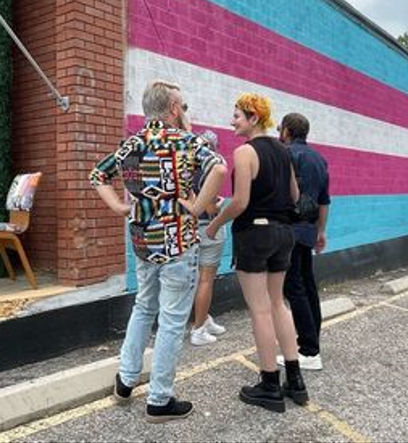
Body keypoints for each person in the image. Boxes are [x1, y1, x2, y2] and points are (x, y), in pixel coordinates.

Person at [90, 80, 226, 423]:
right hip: (177, 244)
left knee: (143, 307)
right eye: (182, 105)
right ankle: (159, 399)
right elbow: (220, 168)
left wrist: (120, 209)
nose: (184, 111)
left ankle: (125, 381)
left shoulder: (131, 144)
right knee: (171, 321)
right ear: (173, 109)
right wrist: (196, 210)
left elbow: (97, 176)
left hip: (142, 243)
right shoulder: (188, 142)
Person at [188, 93, 308, 413]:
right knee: (277, 304)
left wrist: (213, 225)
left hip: (254, 235)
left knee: (260, 310)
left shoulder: (244, 152)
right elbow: (295, 195)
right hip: (284, 234)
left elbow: (240, 202)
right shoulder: (284, 152)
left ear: (254, 118)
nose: (232, 121)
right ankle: (294, 380)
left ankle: (269, 384)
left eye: (237, 116)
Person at [278, 113, 331, 371]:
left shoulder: (286, 154)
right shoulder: (320, 160)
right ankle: (313, 345)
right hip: (309, 230)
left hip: (290, 229)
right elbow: (324, 200)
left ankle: (308, 350)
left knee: (294, 288)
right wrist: (321, 232)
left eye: (280, 129)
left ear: (287, 131)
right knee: (308, 286)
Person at [188, 130, 228, 346]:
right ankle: (198, 330)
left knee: (196, 280)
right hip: (208, 227)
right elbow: (211, 207)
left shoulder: (185, 166)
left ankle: (204, 318)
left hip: (190, 228)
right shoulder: (211, 168)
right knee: (206, 280)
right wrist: (220, 204)